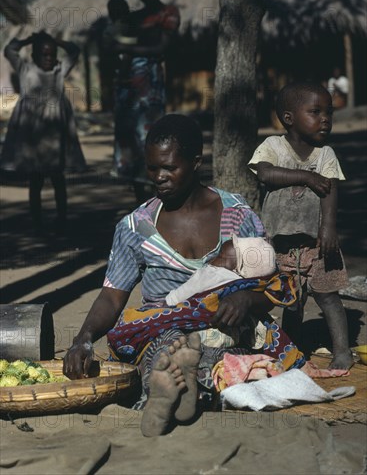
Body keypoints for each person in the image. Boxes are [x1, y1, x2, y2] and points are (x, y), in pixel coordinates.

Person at [63, 114, 304, 438]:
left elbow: (271, 279)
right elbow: (111, 295)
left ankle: (177, 390)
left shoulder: (237, 214)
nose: (159, 177)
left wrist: (246, 299)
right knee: (168, 346)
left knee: (219, 346)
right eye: (152, 169)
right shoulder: (136, 227)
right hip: (164, 325)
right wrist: (83, 339)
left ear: (195, 163)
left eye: (169, 168)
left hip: (229, 323)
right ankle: (190, 386)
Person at [248, 82, 354, 370]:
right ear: (288, 118)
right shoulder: (272, 146)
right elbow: (266, 174)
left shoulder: (325, 154)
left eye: (329, 113)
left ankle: (342, 350)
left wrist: (329, 228)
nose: (325, 119)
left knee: (328, 296)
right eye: (316, 112)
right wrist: (306, 177)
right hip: (280, 243)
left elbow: (330, 191)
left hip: (317, 243)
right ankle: (292, 350)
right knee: (291, 299)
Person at [1, 32, 86, 231]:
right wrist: (28, 40)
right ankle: (37, 220)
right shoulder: (25, 69)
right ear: (34, 56)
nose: (48, 59)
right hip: (33, 136)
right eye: (43, 55)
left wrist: (56, 41)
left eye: (51, 54)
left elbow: (74, 50)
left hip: (55, 135)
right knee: (36, 179)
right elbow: (9, 50)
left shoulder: (59, 70)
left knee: (57, 177)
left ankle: (62, 217)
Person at [111, 0, 180, 195]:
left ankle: (155, 199)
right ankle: (140, 200)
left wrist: (127, 47)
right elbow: (114, 43)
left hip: (149, 81)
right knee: (128, 136)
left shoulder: (168, 13)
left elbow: (162, 46)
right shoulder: (133, 17)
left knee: (149, 135)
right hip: (126, 83)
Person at [102, 0, 137, 177]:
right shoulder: (111, 30)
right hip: (123, 85)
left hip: (135, 84)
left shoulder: (132, 26)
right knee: (127, 133)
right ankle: (131, 172)